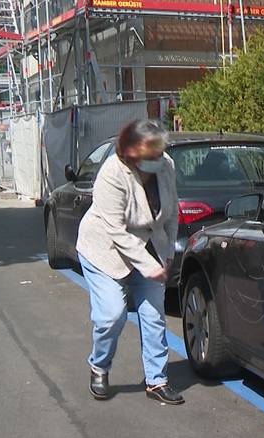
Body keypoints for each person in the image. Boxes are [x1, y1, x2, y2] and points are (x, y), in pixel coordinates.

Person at [75, 119, 184, 405]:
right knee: (111, 315)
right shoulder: (112, 173)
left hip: (151, 249)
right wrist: (149, 267)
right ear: (131, 153)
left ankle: (157, 380)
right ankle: (99, 366)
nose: (158, 159)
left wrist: (169, 252)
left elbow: (172, 211)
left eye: (160, 153)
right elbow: (116, 231)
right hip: (106, 251)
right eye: (151, 155)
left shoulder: (167, 165)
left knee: (153, 316)